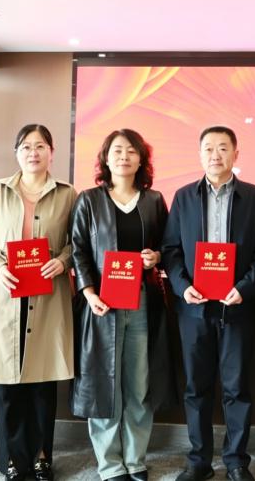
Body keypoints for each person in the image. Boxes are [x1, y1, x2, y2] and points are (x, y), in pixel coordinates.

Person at [161, 126, 255, 481]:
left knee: (236, 388)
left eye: (223, 148)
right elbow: (171, 250)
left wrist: (245, 287)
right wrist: (182, 287)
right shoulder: (183, 197)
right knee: (196, 387)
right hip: (193, 309)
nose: (216, 155)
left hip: (237, 306)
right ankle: (198, 461)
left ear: (236, 154)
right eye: (209, 148)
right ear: (200, 155)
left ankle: (237, 461)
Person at [0, 124, 76, 480]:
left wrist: (64, 261)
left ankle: (42, 456)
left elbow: (80, 240)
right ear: (16, 152)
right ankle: (12, 458)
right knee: (6, 384)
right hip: (4, 295)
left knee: (43, 382)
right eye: (26, 146)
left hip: (48, 297)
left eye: (40, 146)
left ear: (51, 152)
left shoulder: (68, 194)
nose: (33, 152)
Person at [69, 129, 177, 481]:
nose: (124, 157)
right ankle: (110, 464)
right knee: (105, 383)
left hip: (143, 302)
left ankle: (135, 459)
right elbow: (78, 251)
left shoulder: (154, 200)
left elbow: (169, 247)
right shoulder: (89, 200)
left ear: (141, 159)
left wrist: (156, 256)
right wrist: (89, 293)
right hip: (102, 305)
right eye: (117, 150)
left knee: (138, 384)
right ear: (105, 157)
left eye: (131, 151)